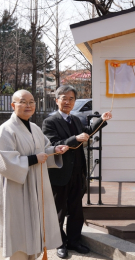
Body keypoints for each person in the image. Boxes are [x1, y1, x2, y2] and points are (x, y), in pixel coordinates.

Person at [42, 86, 112, 259]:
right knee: (59, 210)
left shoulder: (76, 119)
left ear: (74, 102)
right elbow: (54, 145)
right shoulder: (49, 122)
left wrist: (101, 121)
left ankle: (74, 240)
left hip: (77, 171)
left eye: (71, 99)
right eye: (64, 98)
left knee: (76, 210)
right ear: (57, 100)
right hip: (60, 173)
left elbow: (86, 133)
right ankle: (59, 243)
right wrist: (75, 139)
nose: (67, 102)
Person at [0, 90, 69, 260]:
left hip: (37, 185)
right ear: (13, 105)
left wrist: (55, 150)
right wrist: (33, 159)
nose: (28, 105)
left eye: (32, 102)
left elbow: (43, 149)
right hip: (17, 187)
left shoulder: (35, 128)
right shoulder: (5, 130)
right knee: (19, 227)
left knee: (35, 225)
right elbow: (5, 161)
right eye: (23, 102)